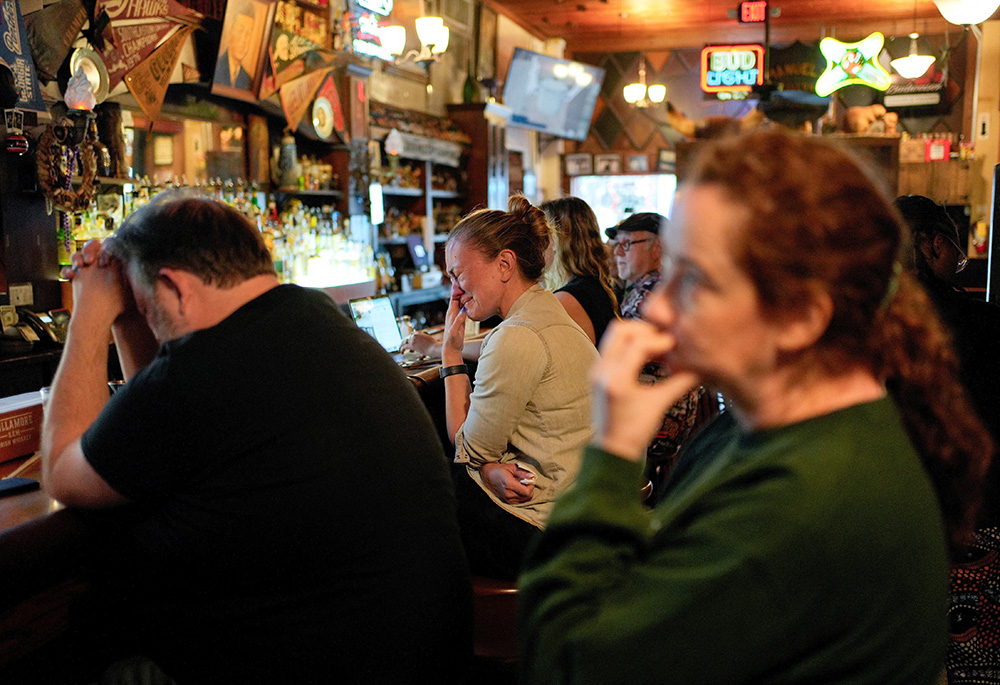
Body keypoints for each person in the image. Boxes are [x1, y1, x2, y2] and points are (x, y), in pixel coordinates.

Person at [518, 130, 993, 684]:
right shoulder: (768, 425)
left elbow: (566, 660)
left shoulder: (811, 498)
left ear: (801, 317)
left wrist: (610, 452)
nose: (661, 309)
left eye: (694, 279)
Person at [41, 194, 472, 684]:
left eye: (144, 305)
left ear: (174, 286)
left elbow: (62, 469)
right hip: (422, 658)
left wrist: (90, 315)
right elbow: (158, 429)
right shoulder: (316, 320)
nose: (144, 317)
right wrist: (130, 318)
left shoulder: (207, 368)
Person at [441, 194, 598, 580]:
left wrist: (449, 354)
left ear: (505, 264)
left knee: (425, 486)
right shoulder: (550, 313)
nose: (455, 292)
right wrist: (492, 468)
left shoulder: (516, 335)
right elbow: (481, 454)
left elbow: (466, 447)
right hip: (584, 512)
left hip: (545, 528)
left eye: (458, 274)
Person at [607, 211, 702, 477]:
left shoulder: (653, 291)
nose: (617, 252)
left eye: (627, 244)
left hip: (656, 423)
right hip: (667, 418)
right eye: (617, 245)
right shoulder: (641, 288)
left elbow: (619, 359)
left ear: (657, 247)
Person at [540, 196, 618, 345]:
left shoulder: (567, 300)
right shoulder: (593, 286)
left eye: (541, 237)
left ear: (556, 240)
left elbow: (514, 341)